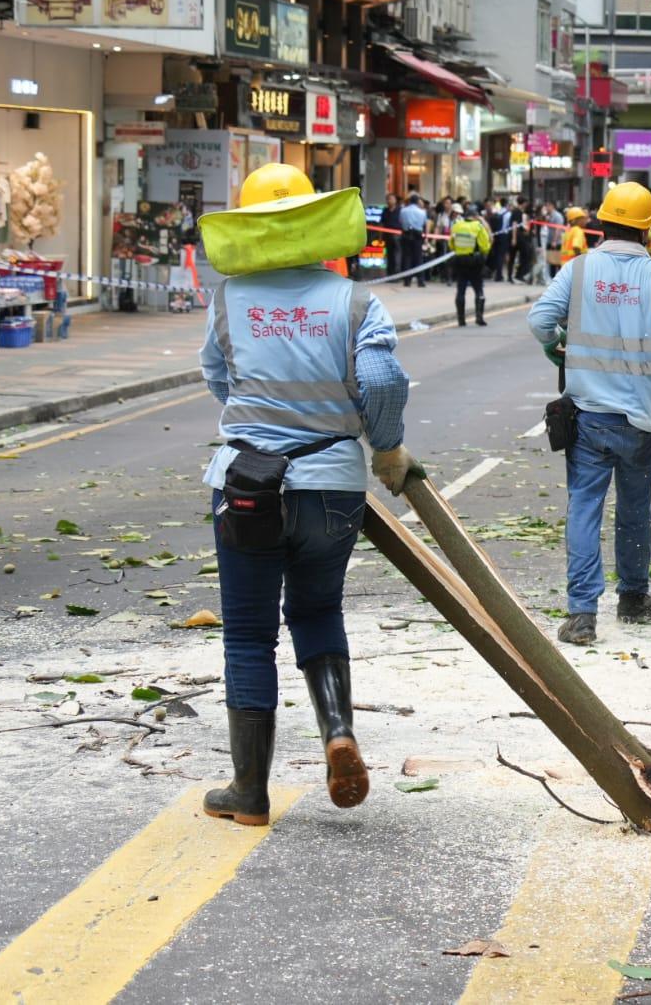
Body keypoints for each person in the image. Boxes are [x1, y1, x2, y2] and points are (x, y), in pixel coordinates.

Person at [195, 163, 416, 827]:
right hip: (333, 488)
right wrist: (386, 445)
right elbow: (382, 378)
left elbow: (215, 375)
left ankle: (249, 791)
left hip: (247, 487)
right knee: (318, 610)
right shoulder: (352, 300)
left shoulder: (230, 299)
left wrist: (260, 420)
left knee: (247, 635)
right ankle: (338, 730)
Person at [530, 183, 651, 647]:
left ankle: (583, 614)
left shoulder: (579, 271)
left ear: (601, 224)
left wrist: (555, 349)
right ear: (649, 231)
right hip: (644, 417)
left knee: (584, 506)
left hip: (588, 415)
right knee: (634, 508)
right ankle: (633, 598)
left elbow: (539, 321)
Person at [448, 201, 492, 327]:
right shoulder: (478, 227)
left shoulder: (456, 226)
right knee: (479, 290)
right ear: (475, 216)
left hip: (460, 262)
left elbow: (451, 244)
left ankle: (461, 320)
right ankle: (479, 318)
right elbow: (485, 247)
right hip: (475, 263)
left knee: (460, 290)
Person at [397, 193, 428, 286]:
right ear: (418, 201)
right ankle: (420, 281)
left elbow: (401, 222)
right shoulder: (422, 212)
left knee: (407, 258)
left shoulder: (403, 211)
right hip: (418, 236)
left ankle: (407, 281)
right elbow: (424, 224)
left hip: (406, 234)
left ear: (409, 201)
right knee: (418, 258)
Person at [513, 195, 537, 283]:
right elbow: (516, 225)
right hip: (522, 237)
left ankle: (522, 274)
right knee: (525, 256)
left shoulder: (523, 213)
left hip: (525, 237)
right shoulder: (519, 213)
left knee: (526, 256)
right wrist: (514, 238)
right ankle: (520, 275)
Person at [379, 193, 402, 278]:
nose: (390, 201)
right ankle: (390, 273)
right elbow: (382, 224)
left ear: (395, 200)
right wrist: (380, 237)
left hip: (398, 236)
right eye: (388, 199)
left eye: (391, 199)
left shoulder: (400, 210)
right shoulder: (385, 210)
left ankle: (397, 274)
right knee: (389, 255)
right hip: (387, 236)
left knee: (397, 255)